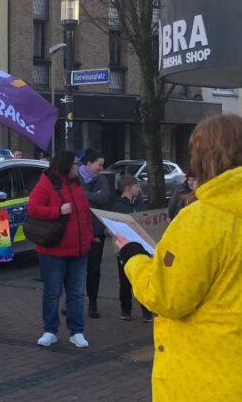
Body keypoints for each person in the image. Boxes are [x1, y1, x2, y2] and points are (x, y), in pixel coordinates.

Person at [115, 114, 242, 402]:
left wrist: (132, 256)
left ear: (203, 159)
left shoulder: (202, 219)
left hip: (213, 390)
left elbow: (167, 297)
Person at [28, 151, 93, 348]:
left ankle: (77, 331)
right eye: (75, 163)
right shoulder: (46, 183)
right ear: (66, 164)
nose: (78, 167)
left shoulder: (76, 184)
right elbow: (33, 209)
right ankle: (50, 330)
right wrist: (57, 211)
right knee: (53, 292)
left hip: (79, 250)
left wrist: (89, 237)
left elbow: (85, 214)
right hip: (53, 251)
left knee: (77, 293)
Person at [109, 175, 151, 322]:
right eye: (136, 187)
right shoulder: (117, 206)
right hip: (125, 248)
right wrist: (110, 231)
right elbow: (111, 225)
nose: (138, 189)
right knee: (125, 280)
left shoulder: (140, 203)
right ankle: (126, 310)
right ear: (127, 188)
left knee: (143, 277)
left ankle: (146, 310)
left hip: (141, 247)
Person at [78, 149, 111, 319]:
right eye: (100, 164)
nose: (102, 168)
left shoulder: (102, 180)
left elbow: (104, 198)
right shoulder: (75, 178)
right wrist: (93, 197)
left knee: (94, 269)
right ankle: (72, 301)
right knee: (75, 269)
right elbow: (72, 198)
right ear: (89, 163)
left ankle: (93, 303)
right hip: (78, 231)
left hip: (96, 231)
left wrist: (83, 195)